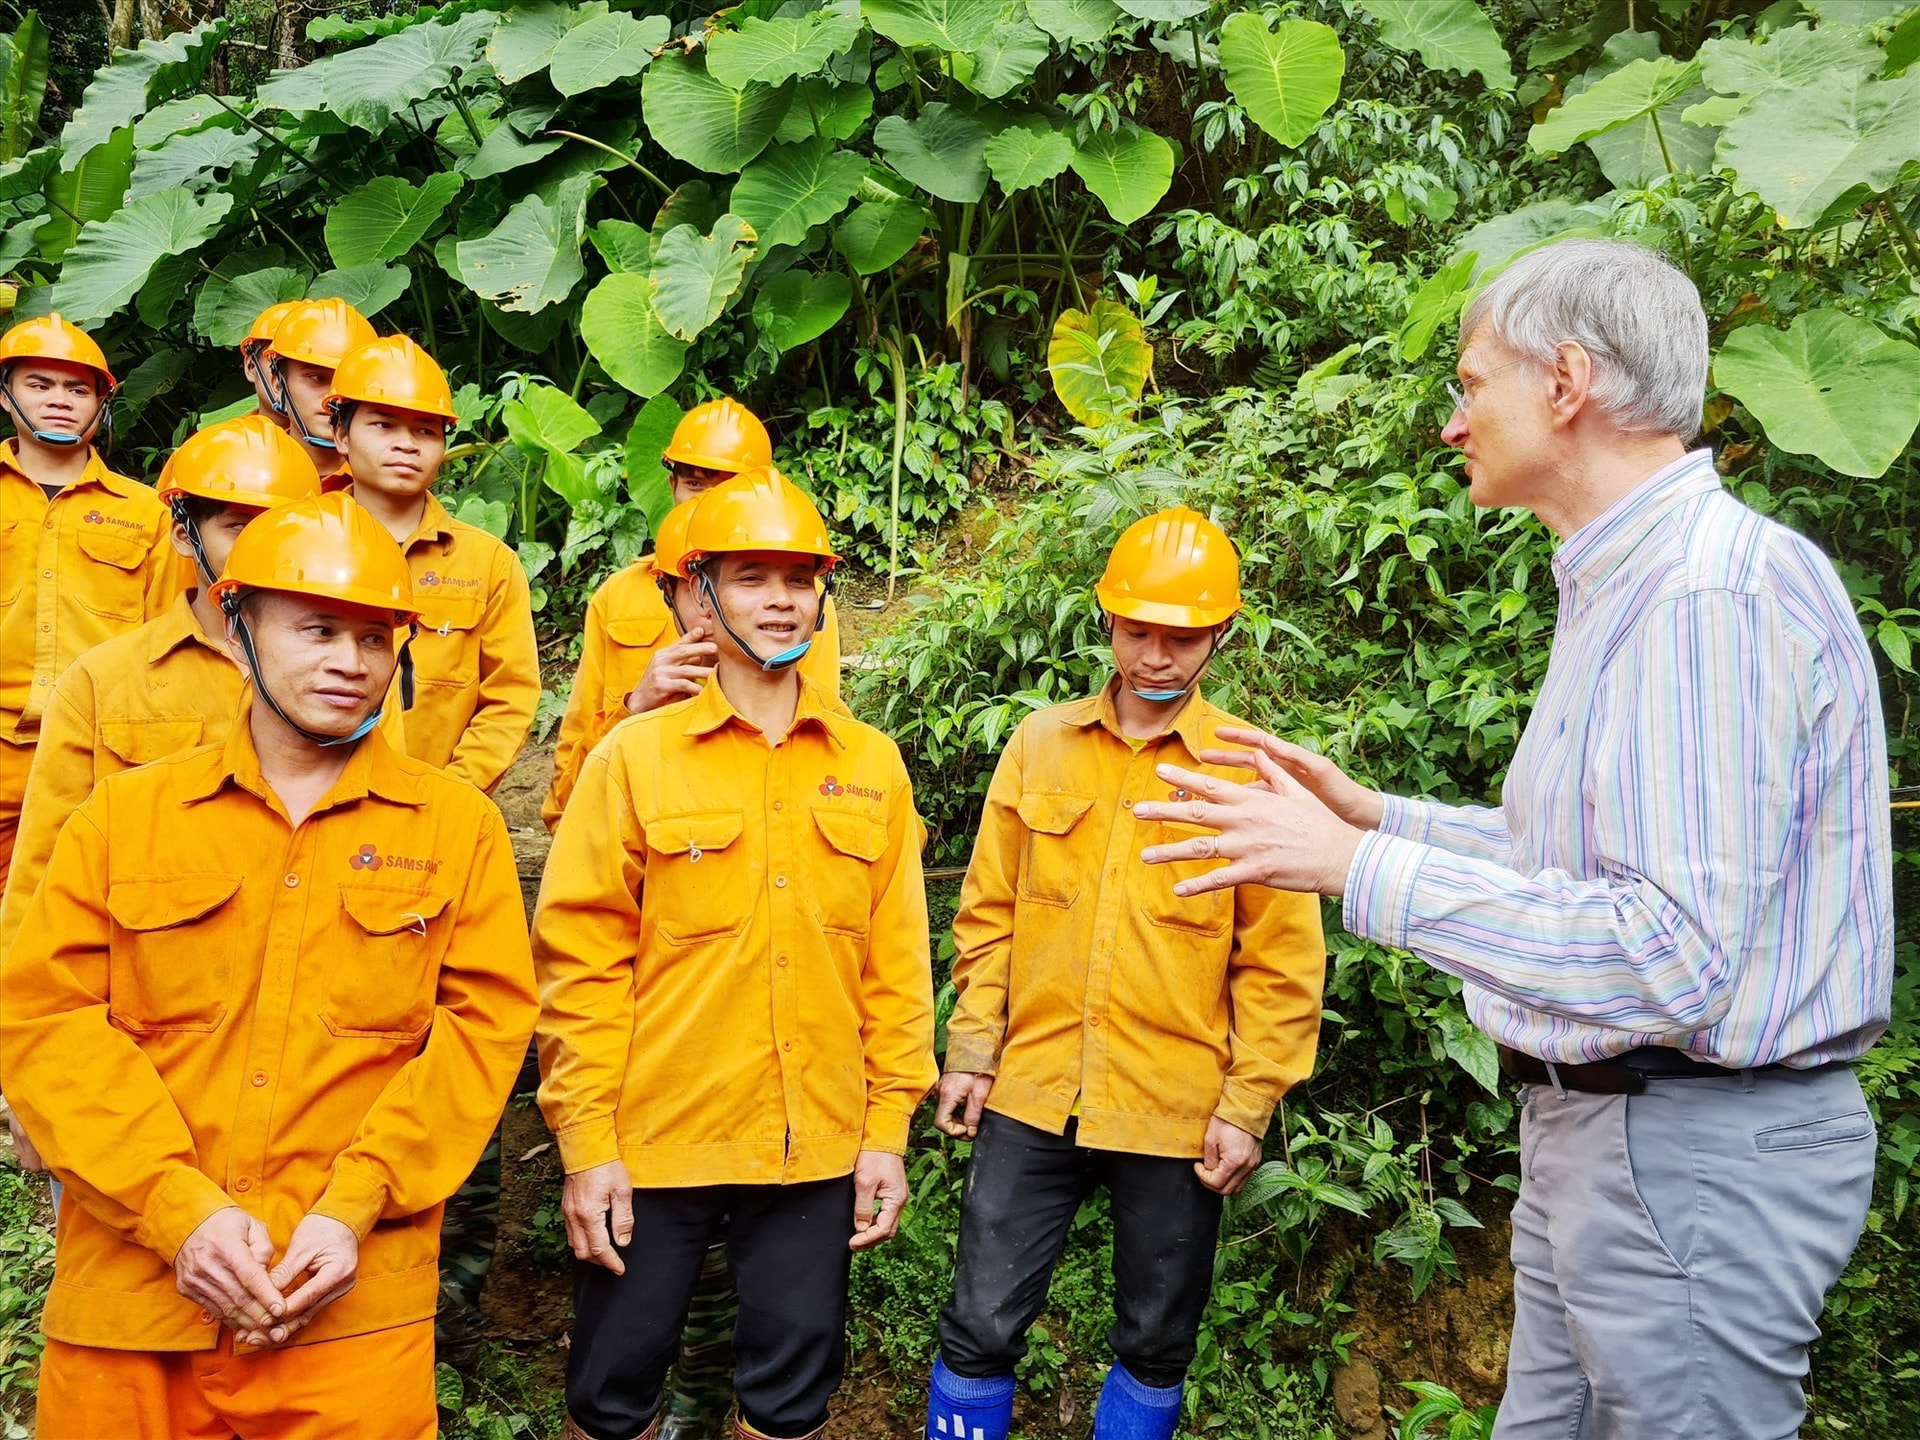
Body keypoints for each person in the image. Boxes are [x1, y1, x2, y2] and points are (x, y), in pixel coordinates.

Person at [1133, 239, 1893, 1440]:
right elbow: (1592, 863)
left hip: (1692, 1145)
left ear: (1568, 381)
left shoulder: (1703, 597)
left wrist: (1356, 871)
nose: (1452, 422)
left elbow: (1670, 953)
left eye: (1471, 382)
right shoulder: (1626, 584)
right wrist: (1378, 817)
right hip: (1609, 1135)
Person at [0, 491, 539, 1439]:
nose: (349, 661)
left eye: (377, 639)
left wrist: (353, 1204)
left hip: (348, 1309)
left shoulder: (460, 832)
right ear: (239, 623)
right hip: (133, 1309)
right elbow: (47, 1022)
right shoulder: (126, 820)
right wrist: (177, 1211)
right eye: (318, 628)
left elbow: (480, 1039)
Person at [533, 466, 935, 1440]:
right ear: (697, 594)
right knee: (610, 1392)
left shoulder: (869, 764)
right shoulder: (631, 759)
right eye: (753, 577)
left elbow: (897, 967)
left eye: (800, 579)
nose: (781, 598)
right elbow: (580, 965)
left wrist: (887, 1130)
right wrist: (585, 1147)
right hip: (654, 1139)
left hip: (814, 1142)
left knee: (790, 1399)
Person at [922, 508, 1327, 1440]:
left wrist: (1247, 1103)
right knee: (980, 1322)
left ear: (1218, 635)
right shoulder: (1039, 746)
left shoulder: (1250, 774)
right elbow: (987, 913)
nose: (1155, 656)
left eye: (1180, 637)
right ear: (1105, 622)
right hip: (1033, 1088)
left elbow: (1281, 965)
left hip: (1177, 1105)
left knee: (1156, 1337)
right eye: (1138, 631)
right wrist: (974, 1048)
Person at [0, 414, 323, 972]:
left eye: (281, 525)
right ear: (182, 532)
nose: (262, 546)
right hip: (147, 983)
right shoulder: (104, 681)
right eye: (237, 525)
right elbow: (44, 874)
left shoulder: (346, 681)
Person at [543, 396, 843, 833]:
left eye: (730, 486)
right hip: (635, 813)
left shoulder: (797, 606)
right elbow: (571, 797)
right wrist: (637, 705)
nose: (712, 503)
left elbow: (814, 725)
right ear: (671, 486)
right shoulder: (620, 595)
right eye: (697, 484)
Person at [0, 313, 181, 895]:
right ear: (6, 395)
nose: (60, 401)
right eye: (39, 384)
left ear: (102, 402)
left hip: (95, 755)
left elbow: (167, 646)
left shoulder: (146, 512)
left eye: (78, 388)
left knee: (71, 922)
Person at [325, 334, 537, 795]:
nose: (407, 445)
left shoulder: (488, 563)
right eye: (383, 425)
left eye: (425, 430)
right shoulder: (302, 547)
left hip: (440, 804)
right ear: (341, 435)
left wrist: (450, 796)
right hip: (317, 799)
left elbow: (510, 696)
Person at [259, 297, 377, 476]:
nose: (331, 396)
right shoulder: (245, 469)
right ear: (277, 383)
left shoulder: (393, 481)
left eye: (346, 379)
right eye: (317, 378)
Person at [241, 300, 304, 422]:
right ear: (251, 366)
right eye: (277, 360)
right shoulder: (228, 439)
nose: (290, 374)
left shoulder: (349, 437)